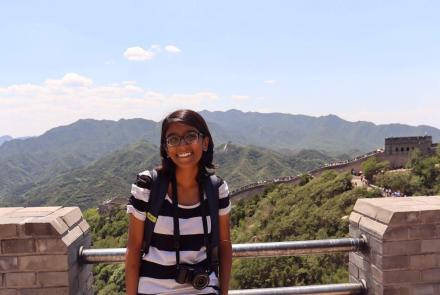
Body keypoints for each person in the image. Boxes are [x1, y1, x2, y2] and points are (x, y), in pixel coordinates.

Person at [125, 109, 232, 295]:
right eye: (173, 139)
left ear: (204, 142)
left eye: (190, 136)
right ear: (166, 148)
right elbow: (134, 247)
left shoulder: (217, 190)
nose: (182, 146)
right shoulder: (148, 187)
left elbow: (224, 245)